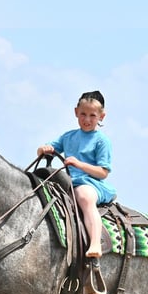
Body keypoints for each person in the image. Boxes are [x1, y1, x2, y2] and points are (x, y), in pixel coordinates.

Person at [37, 90, 116, 261]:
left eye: (92, 115)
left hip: (92, 184)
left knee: (84, 197)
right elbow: (48, 148)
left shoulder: (102, 141)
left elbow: (103, 173)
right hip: (69, 182)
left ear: (101, 116)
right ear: (76, 113)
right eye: (83, 114)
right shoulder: (68, 136)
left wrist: (79, 164)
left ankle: (95, 243)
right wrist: (44, 149)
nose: (87, 119)